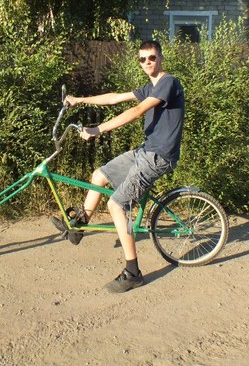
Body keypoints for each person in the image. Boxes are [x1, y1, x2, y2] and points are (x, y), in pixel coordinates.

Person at [51, 40, 184, 293]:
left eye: (152, 58)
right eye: (142, 59)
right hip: (145, 151)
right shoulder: (150, 86)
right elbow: (115, 99)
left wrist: (97, 129)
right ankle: (78, 227)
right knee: (99, 175)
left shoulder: (168, 83)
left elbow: (136, 111)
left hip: (158, 156)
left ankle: (133, 272)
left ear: (161, 57)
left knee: (116, 204)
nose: (147, 63)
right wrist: (79, 99)